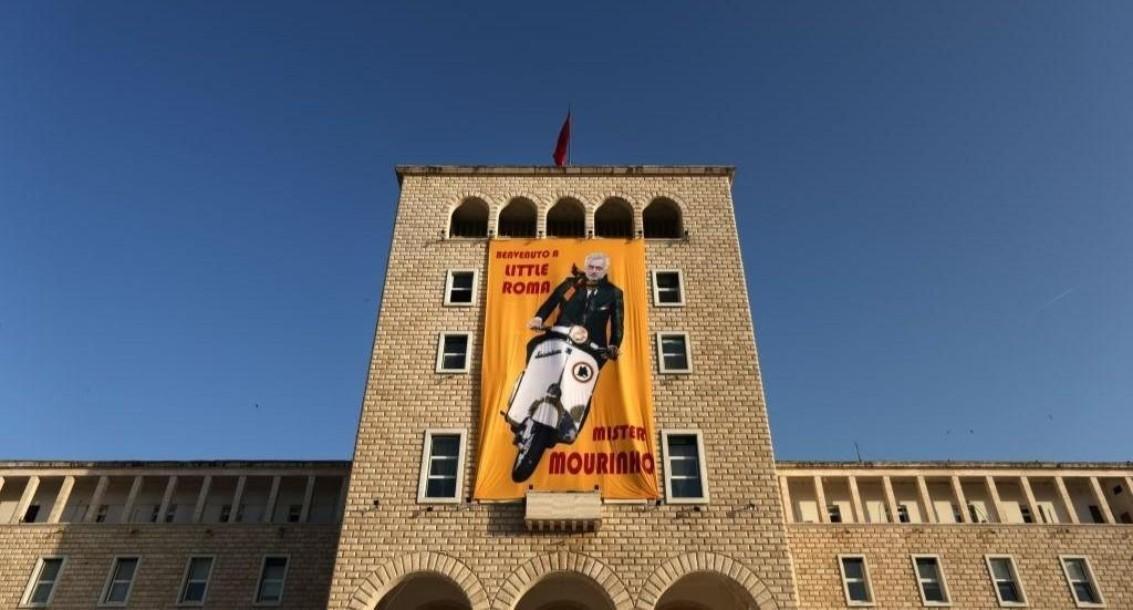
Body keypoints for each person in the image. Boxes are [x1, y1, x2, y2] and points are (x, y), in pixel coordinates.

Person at [527, 252, 624, 362]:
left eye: (598, 268)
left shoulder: (614, 292)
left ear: (605, 270)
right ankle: (527, 377)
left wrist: (614, 345)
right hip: (560, 336)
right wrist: (538, 318)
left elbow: (617, 323)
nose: (594, 271)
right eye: (591, 267)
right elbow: (552, 300)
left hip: (593, 346)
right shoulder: (570, 284)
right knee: (533, 345)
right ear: (585, 267)